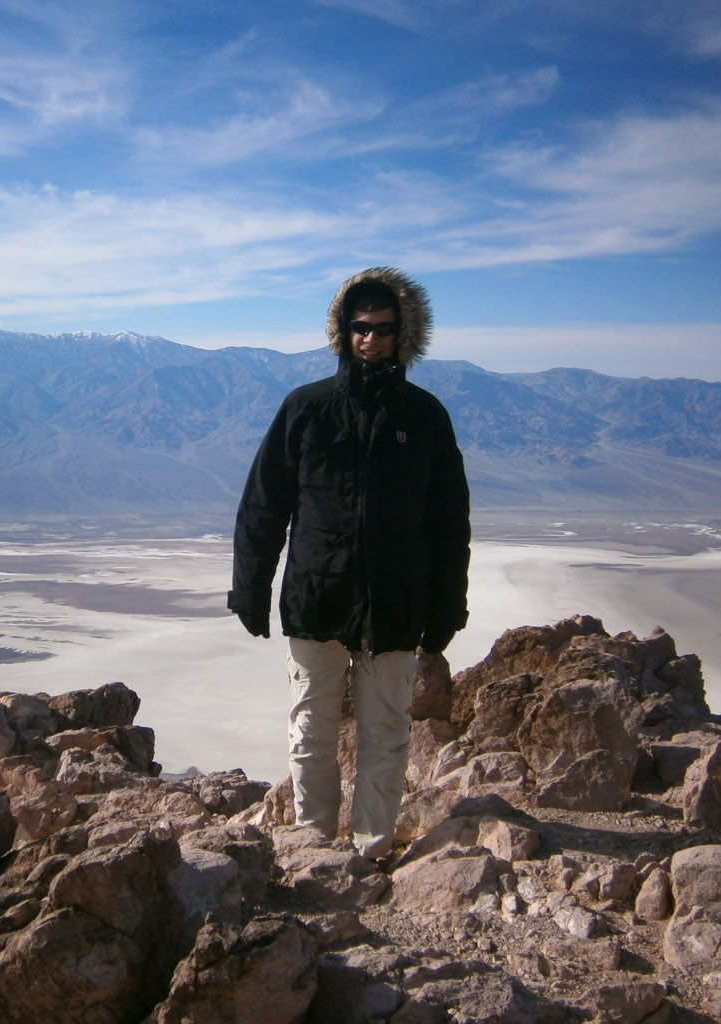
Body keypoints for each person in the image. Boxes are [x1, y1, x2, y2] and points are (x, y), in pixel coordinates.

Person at [228, 266, 471, 861]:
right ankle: (313, 851)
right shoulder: (307, 408)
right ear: (343, 331)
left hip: (393, 607)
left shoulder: (424, 417)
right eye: (360, 327)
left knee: (386, 737)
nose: (371, 339)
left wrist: (445, 611)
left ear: (403, 333)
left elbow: (448, 525)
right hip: (317, 600)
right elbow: (263, 504)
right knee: (310, 733)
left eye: (384, 329)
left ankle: (372, 852)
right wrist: (250, 590)